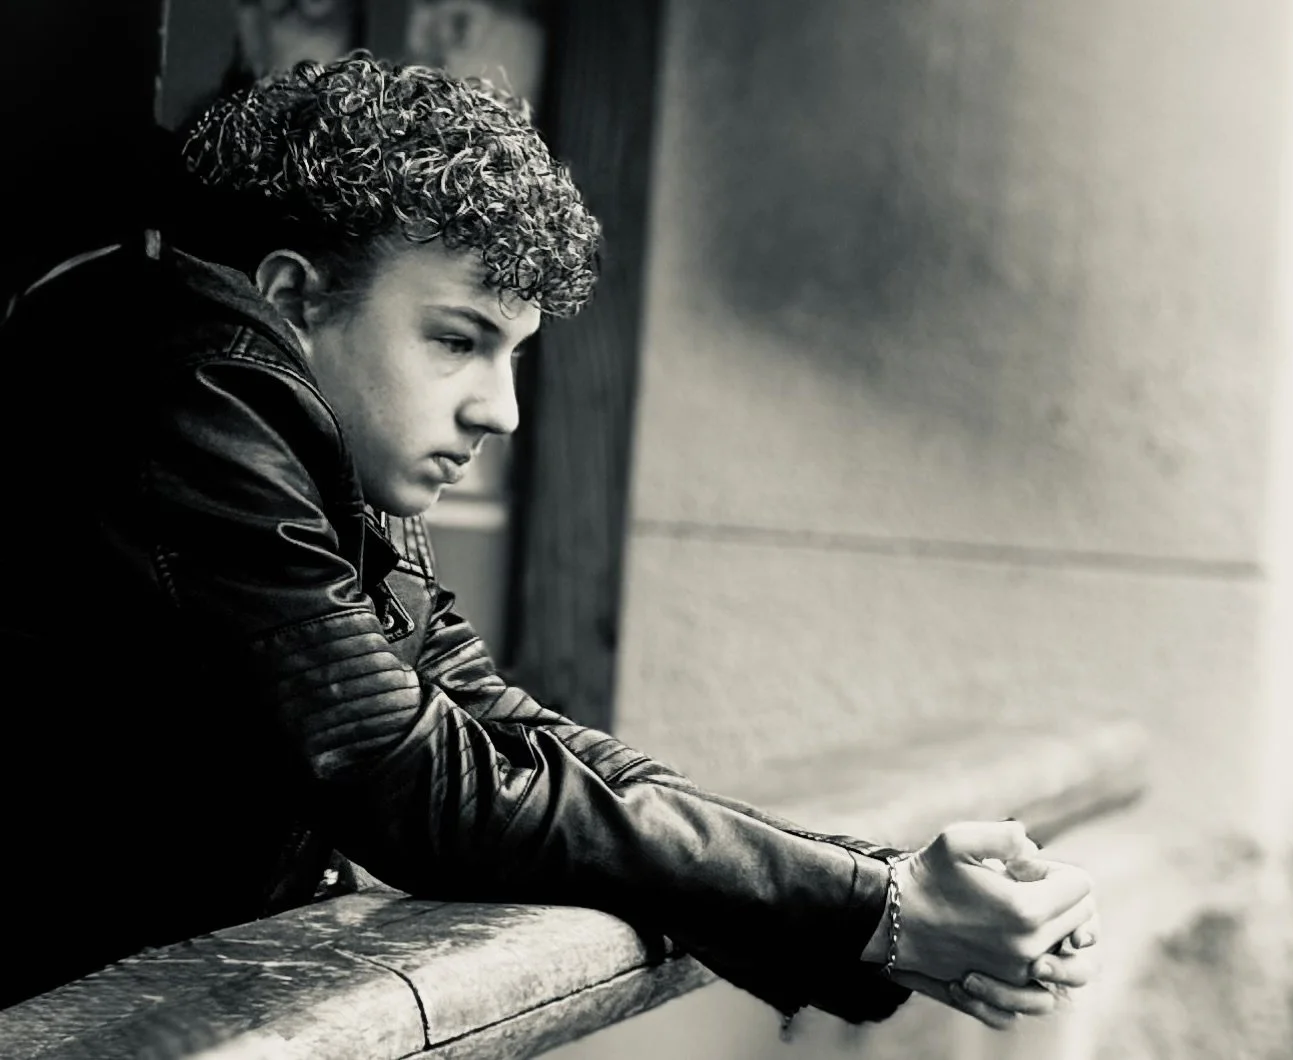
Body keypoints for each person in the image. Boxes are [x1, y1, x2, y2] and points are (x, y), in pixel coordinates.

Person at [0, 53, 1097, 1031]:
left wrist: (877, 888)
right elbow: (407, 773)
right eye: (458, 340)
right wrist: (877, 912)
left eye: (513, 353)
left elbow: (498, 724)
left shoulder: (325, 433)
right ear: (295, 296)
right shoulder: (180, 383)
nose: (501, 410)